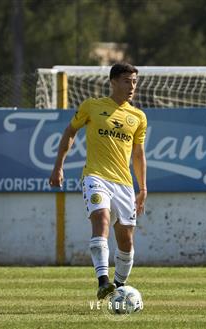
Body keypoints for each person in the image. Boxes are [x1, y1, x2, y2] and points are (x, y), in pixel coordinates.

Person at [49, 62, 147, 299]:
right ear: (113, 82)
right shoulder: (92, 106)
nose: (132, 86)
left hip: (124, 184)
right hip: (96, 176)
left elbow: (138, 153)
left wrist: (142, 187)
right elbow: (70, 131)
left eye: (134, 81)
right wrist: (58, 166)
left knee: (126, 241)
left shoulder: (138, 117)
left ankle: (118, 287)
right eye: (126, 81)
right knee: (101, 220)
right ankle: (103, 281)